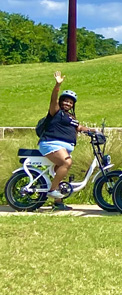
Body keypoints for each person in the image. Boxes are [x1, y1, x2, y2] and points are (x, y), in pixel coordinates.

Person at [38, 71, 93, 211]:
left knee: (60, 171)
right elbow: (53, 100)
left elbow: (80, 127)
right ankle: (52, 190)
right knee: (67, 162)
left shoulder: (72, 118)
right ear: (61, 102)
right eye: (65, 100)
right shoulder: (56, 112)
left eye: (70, 102)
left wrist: (94, 131)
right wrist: (57, 85)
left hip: (64, 148)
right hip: (50, 143)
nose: (67, 103)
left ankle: (58, 202)